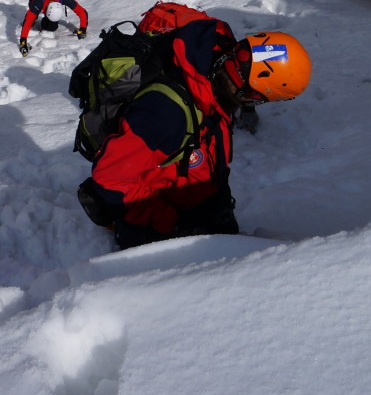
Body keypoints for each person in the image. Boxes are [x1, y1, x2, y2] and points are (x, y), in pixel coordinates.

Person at [76, 16, 312, 248]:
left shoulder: (213, 63)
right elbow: (111, 176)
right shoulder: (165, 113)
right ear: (250, 90)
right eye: (260, 98)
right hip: (154, 213)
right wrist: (168, 223)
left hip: (195, 192)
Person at [18, 0, 89, 57]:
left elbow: (82, 12)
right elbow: (28, 19)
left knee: (52, 27)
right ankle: (38, 19)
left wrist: (83, 29)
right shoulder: (39, 1)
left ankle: (47, 22)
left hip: (47, 2)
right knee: (31, 19)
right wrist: (23, 41)